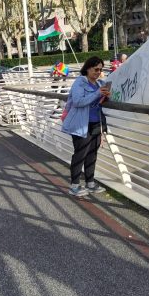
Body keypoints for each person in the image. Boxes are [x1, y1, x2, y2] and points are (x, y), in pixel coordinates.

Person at [62, 56, 110, 197]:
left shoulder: (100, 84)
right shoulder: (80, 82)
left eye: (100, 70)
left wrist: (106, 96)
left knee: (92, 154)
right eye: (96, 69)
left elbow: (100, 102)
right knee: (80, 154)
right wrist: (97, 94)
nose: (98, 72)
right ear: (88, 68)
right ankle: (74, 185)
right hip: (81, 124)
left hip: (96, 123)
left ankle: (90, 183)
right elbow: (78, 101)